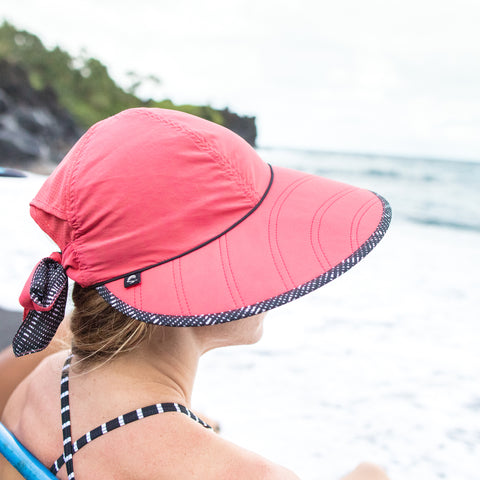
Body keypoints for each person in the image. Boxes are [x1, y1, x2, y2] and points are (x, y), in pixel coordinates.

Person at [1, 107, 392, 479]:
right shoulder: (249, 475)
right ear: (187, 280)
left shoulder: (46, 377)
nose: (271, 269)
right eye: (246, 240)